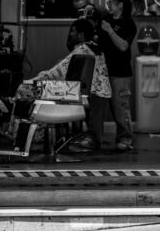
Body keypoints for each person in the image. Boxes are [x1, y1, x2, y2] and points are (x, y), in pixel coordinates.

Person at [33, 19, 111, 151]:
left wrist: (37, 78)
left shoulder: (82, 49)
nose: (70, 34)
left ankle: (45, 137)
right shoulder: (97, 48)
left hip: (88, 95)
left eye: (73, 31)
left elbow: (57, 71)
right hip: (101, 93)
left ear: (81, 35)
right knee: (95, 136)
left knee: (38, 92)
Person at [98, 0, 137, 153]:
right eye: (108, 3)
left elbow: (123, 46)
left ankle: (125, 138)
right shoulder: (105, 19)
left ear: (121, 4)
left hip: (121, 73)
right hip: (103, 70)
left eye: (111, 3)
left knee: (121, 107)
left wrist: (110, 31)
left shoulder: (129, 24)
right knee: (99, 107)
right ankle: (95, 137)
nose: (109, 6)